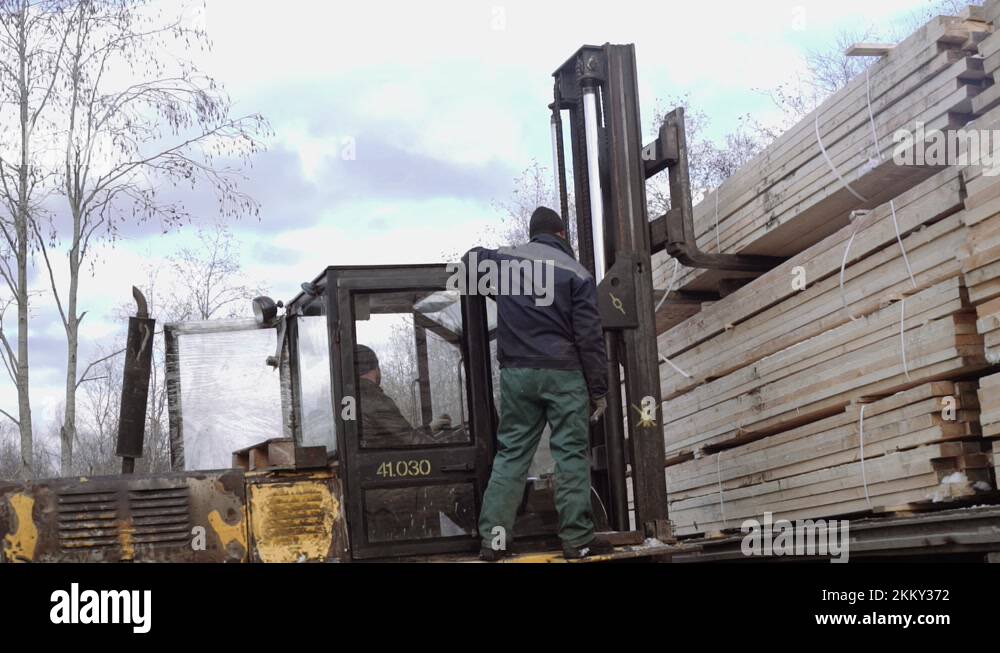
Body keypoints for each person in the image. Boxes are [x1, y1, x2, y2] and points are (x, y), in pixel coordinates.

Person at [463, 206, 613, 560]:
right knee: (571, 456)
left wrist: (500, 293)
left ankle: (495, 541)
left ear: (532, 234)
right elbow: (589, 338)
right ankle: (577, 541)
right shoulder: (577, 273)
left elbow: (469, 260)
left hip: (517, 374)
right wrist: (599, 391)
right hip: (564, 374)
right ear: (562, 235)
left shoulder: (505, 261)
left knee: (512, 454)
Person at [355, 344, 451, 448]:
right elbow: (412, 441)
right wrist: (448, 454)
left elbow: (397, 437)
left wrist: (429, 429)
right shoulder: (374, 399)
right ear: (375, 368)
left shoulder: (353, 396)